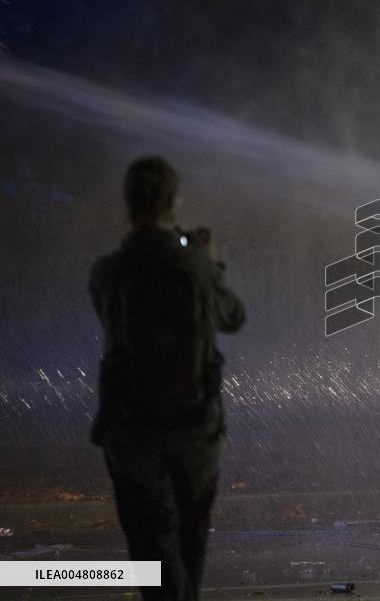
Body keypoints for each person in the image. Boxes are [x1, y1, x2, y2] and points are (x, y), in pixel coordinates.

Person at [89, 156, 245, 600]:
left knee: (150, 551)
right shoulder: (194, 266)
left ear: (127, 204)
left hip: (131, 432)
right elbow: (233, 316)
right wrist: (209, 263)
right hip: (196, 429)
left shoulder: (106, 272)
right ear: (174, 202)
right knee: (189, 546)